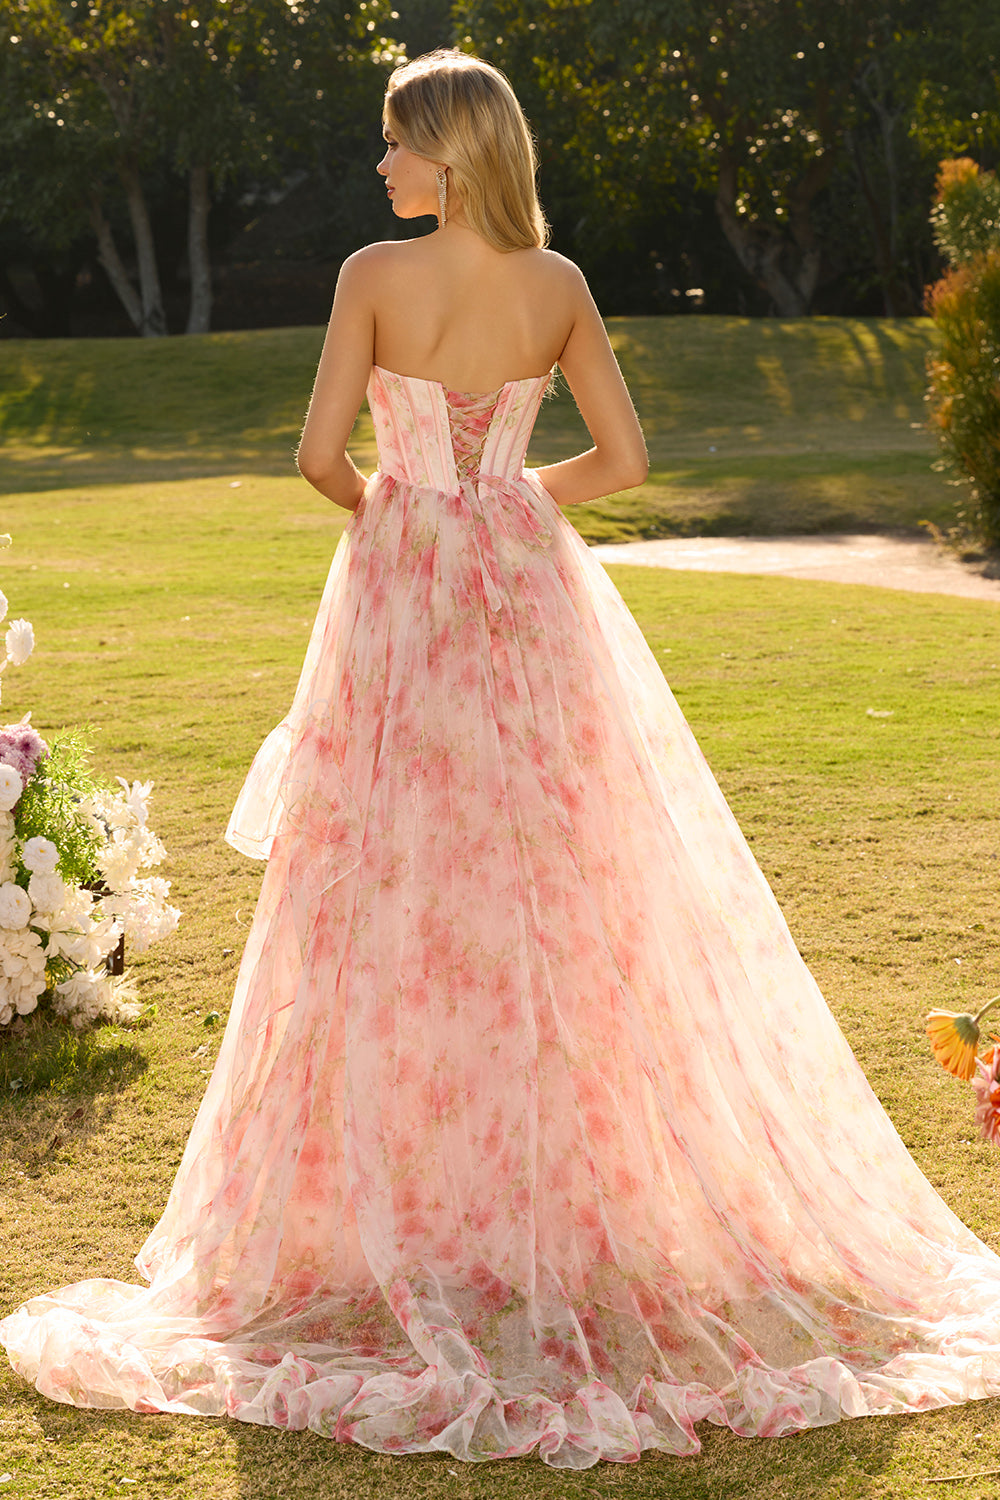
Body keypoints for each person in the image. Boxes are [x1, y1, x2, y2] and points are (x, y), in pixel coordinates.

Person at [4, 48, 1000, 1472]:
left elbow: (318, 458)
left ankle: (404, 1203)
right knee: (561, 884)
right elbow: (626, 461)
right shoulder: (559, 285)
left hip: (402, 589)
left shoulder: (372, 276)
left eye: (395, 143)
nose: (379, 166)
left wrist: (400, 507)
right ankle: (554, 1196)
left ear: (452, 154)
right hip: (530, 591)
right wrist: (510, 496)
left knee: (386, 885)